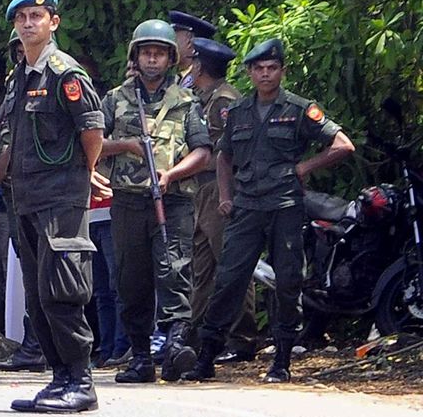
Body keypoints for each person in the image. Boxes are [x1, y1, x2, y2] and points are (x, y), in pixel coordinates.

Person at [0, 0, 105, 412]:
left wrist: (85, 172)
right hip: (25, 198)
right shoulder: (20, 77)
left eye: (36, 17)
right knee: (39, 295)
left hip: (60, 197)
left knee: (63, 290)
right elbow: (12, 144)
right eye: (21, 17)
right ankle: (60, 379)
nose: (28, 24)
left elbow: (92, 130)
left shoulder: (64, 74)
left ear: (53, 23)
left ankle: (81, 382)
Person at [186, 38, 353, 383]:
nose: (265, 74)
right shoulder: (239, 111)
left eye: (272, 68)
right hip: (247, 207)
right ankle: (206, 357)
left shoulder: (298, 108)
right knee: (228, 280)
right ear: (249, 73)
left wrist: (304, 167)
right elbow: (224, 156)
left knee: (288, 282)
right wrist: (224, 196)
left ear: (282, 71)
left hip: (284, 206)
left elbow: (342, 144)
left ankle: (281, 360)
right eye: (259, 68)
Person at [97, 20, 211, 383]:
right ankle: (141, 358)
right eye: (146, 53)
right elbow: (92, 143)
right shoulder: (115, 100)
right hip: (128, 202)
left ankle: (176, 348)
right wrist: (126, 146)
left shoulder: (187, 102)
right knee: (130, 280)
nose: (152, 59)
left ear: (170, 59)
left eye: (159, 54)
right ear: (136, 56)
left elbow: (203, 152)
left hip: (173, 202)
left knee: (174, 271)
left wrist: (171, 174)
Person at [184, 37, 258, 358]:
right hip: (202, 189)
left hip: (220, 188)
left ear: (200, 66)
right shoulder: (204, 98)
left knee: (231, 263)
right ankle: (196, 337)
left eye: (194, 62)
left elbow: (231, 151)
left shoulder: (224, 101)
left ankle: (242, 338)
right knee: (202, 267)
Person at [168, 10, 216, 89]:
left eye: (174, 38)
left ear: (189, 41)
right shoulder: (181, 78)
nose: (169, 45)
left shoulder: (201, 79)